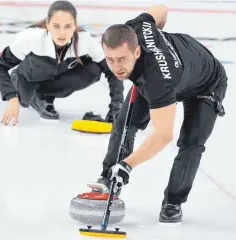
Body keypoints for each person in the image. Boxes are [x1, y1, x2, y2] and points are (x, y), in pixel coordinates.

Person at [91, 4, 228, 224]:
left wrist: (128, 165)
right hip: (175, 68)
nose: (116, 67)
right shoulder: (137, 26)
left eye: (122, 60)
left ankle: (173, 202)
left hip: (206, 83)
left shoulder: (159, 80)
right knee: (125, 123)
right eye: (110, 60)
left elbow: (163, 135)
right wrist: (159, 41)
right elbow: (161, 9)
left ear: (136, 51)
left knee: (191, 143)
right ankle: (109, 178)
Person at [0, 0, 124, 125]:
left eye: (68, 26)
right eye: (56, 26)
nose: (62, 33)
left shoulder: (85, 41)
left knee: (93, 70)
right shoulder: (31, 38)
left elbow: (112, 71)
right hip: (27, 78)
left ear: (75, 25)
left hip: (51, 79)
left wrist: (117, 105)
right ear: (48, 24)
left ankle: (44, 95)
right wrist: (11, 97)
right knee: (26, 97)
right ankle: (27, 89)